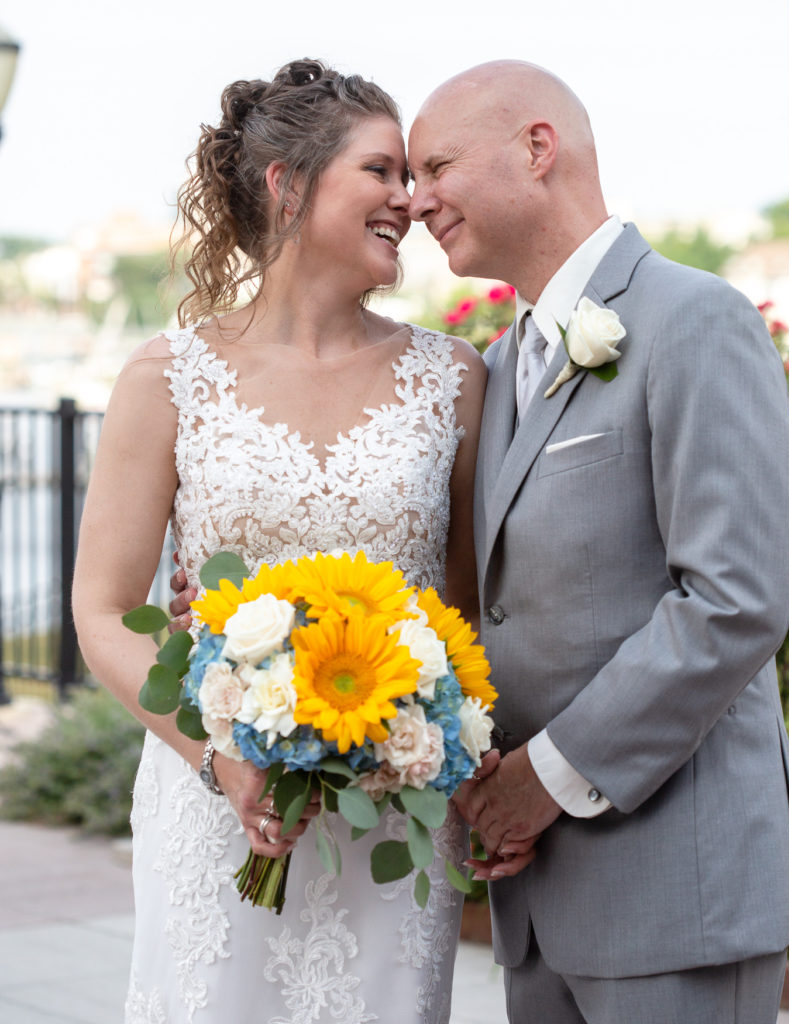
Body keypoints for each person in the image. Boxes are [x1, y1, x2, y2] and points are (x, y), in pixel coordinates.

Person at [404, 61, 789, 1023]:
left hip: (680, 889)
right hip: (536, 900)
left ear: (536, 148)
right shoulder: (497, 366)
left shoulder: (693, 319)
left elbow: (732, 601)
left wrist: (541, 781)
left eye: (437, 166)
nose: (416, 200)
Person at [72, 59, 486, 1024]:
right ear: (287, 184)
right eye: (380, 172)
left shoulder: (454, 378)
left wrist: (443, 752)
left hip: (395, 805)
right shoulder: (166, 378)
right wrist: (222, 760)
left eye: (412, 177)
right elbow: (102, 612)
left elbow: (467, 613)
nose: (411, 200)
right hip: (213, 798)